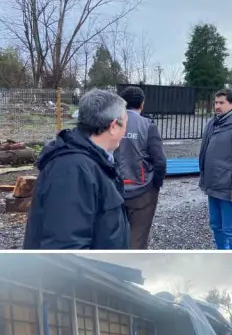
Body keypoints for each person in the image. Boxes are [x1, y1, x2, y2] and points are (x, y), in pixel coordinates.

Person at [23, 89, 130, 249]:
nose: (125, 132)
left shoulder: (93, 161)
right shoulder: (72, 170)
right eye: (125, 124)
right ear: (113, 126)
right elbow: (66, 251)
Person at [198, 88, 232, 249]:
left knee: (231, 228)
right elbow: (204, 153)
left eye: (222, 102)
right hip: (213, 185)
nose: (217, 106)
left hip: (228, 188)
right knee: (216, 225)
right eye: (216, 102)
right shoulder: (212, 123)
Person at [114, 86, 166, 249]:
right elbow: (160, 161)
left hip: (114, 189)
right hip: (142, 190)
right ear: (142, 104)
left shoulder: (110, 124)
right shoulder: (147, 125)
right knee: (138, 237)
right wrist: (156, 185)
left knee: (115, 235)